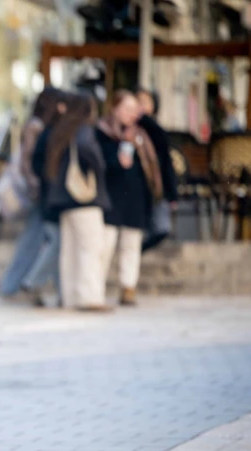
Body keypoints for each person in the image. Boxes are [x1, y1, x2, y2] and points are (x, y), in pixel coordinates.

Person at [33, 93, 112, 311]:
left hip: (64, 200)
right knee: (90, 248)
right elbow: (88, 149)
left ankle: (71, 297)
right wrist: (98, 167)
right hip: (84, 198)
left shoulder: (61, 129)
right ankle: (90, 298)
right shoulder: (83, 129)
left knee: (70, 252)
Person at [96, 90, 163, 306]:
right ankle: (96, 288)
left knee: (131, 244)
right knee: (105, 245)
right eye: (127, 109)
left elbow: (159, 150)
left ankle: (128, 288)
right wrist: (117, 159)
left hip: (135, 197)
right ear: (114, 108)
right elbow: (98, 162)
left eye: (135, 110)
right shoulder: (102, 132)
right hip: (110, 196)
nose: (131, 114)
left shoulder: (142, 134)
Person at [0, 87, 65, 304]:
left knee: (41, 241)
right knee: (34, 241)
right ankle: (14, 286)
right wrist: (35, 186)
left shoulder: (40, 125)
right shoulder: (36, 126)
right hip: (37, 192)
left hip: (40, 191)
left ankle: (27, 286)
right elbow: (27, 160)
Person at [135, 89, 179, 251]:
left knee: (161, 228)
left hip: (156, 187)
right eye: (138, 102)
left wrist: (172, 193)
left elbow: (166, 163)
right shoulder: (128, 129)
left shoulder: (155, 130)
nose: (141, 106)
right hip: (139, 188)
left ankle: (140, 250)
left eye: (145, 102)